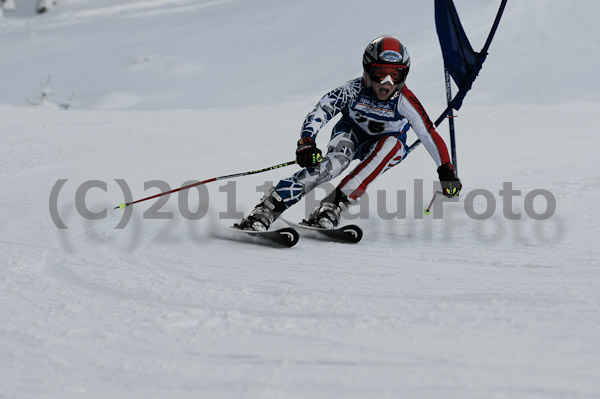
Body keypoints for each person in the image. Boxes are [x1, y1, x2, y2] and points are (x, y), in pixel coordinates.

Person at [236, 35, 462, 231]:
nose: (386, 83)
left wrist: (446, 171)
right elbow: (321, 111)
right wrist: (307, 142)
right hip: (351, 134)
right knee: (335, 163)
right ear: (366, 70)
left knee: (391, 145)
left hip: (385, 146)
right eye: (379, 73)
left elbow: (428, 134)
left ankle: (332, 206)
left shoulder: (405, 100)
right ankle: (267, 209)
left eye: (395, 75)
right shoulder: (352, 90)